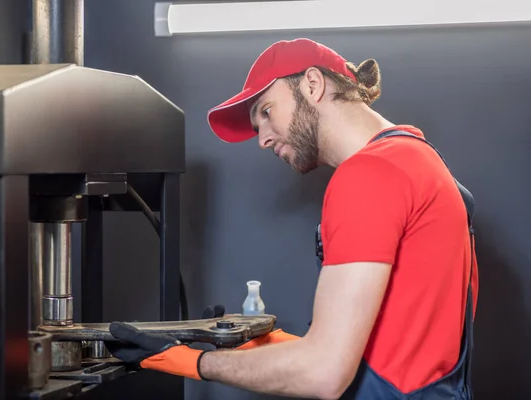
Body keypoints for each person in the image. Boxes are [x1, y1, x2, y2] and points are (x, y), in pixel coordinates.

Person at [106, 38, 479, 399]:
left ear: (313, 84)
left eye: (266, 112)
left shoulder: (369, 175)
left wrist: (187, 360)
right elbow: (396, 347)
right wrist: (264, 342)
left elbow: (324, 374)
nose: (262, 140)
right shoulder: (417, 159)